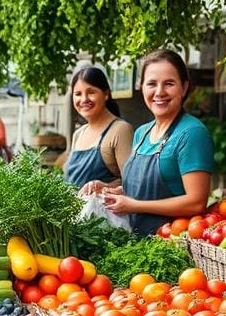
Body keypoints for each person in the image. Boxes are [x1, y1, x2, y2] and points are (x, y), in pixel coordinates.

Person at [103, 50, 213, 237]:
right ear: (142, 87)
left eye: (169, 83)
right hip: (134, 243)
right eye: (152, 84)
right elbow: (145, 190)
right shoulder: (142, 133)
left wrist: (134, 205)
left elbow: (196, 202)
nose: (159, 92)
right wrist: (115, 193)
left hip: (171, 247)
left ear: (184, 88)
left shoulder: (192, 133)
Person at [63, 67, 134, 195]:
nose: (84, 99)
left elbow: (133, 184)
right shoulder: (78, 134)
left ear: (106, 94)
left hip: (102, 213)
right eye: (78, 94)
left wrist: (105, 187)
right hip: (73, 213)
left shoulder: (120, 130)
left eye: (91, 92)